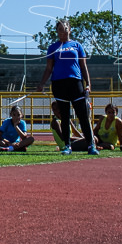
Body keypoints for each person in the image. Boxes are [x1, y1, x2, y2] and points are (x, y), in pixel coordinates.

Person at [38, 19, 98, 155]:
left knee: (82, 115)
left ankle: (91, 145)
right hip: (59, 83)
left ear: (69, 30)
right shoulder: (53, 47)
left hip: (75, 82)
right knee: (64, 116)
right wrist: (42, 83)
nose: (63, 31)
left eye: (65, 28)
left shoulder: (77, 45)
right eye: (60, 29)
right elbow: (48, 68)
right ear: (57, 32)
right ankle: (67, 146)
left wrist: (88, 84)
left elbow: (83, 66)